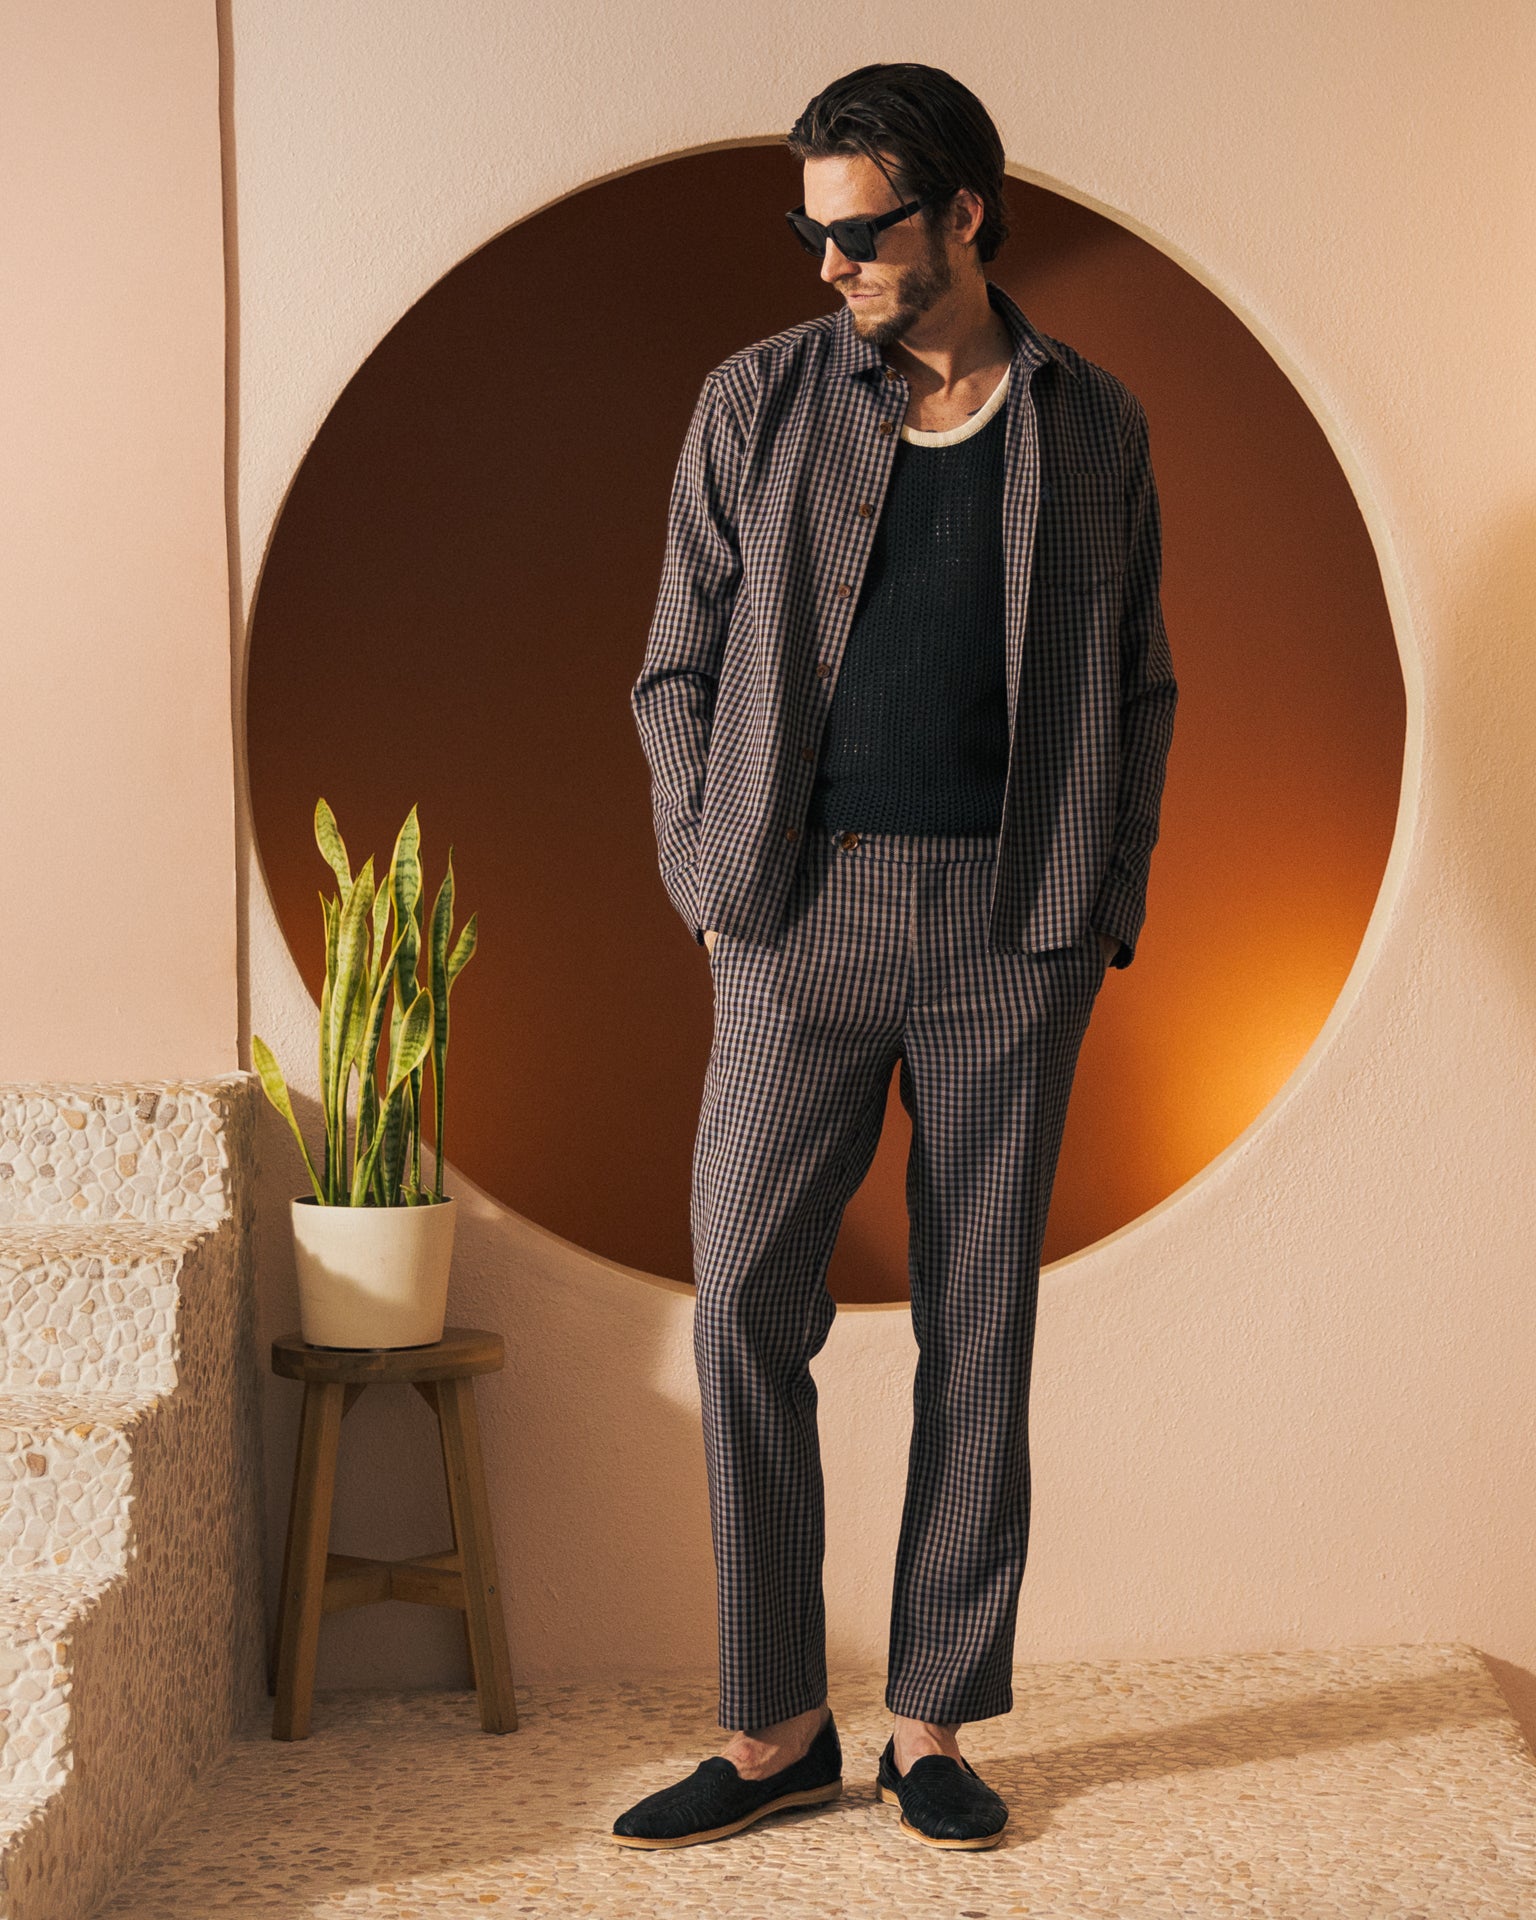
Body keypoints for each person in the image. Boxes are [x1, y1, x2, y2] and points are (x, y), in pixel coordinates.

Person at [616, 61, 1177, 1852]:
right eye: (812, 229)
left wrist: (1096, 905)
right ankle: (777, 1721)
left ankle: (928, 1720)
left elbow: (1142, 687)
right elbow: (673, 668)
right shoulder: (759, 405)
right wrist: (713, 876)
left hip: (1008, 927)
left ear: (962, 218)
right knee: (744, 1301)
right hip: (797, 910)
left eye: (861, 231)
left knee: (980, 1321)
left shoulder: (1091, 425)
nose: (829, 263)